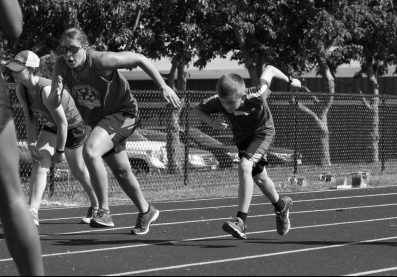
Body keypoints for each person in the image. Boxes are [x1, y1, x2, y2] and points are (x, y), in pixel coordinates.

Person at [50, 27, 181, 234]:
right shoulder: (61, 65)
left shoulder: (102, 61)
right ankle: (146, 210)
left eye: (73, 49)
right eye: (63, 49)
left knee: (91, 151)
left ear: (85, 48)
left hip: (125, 114)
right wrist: (56, 94)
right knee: (121, 171)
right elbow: (53, 102)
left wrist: (163, 85)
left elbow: (140, 59)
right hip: (100, 122)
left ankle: (103, 211)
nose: (68, 55)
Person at [193, 65, 301, 239]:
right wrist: (211, 123)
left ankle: (241, 222)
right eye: (222, 102)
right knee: (260, 177)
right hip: (243, 138)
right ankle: (282, 207)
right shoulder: (218, 101)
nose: (226, 107)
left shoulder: (257, 93)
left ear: (243, 96)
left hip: (263, 133)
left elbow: (270, 69)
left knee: (245, 166)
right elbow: (197, 109)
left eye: (230, 103)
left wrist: (290, 80)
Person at [5, 50, 99, 226]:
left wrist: (59, 151)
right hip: (52, 125)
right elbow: (29, 117)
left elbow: (63, 123)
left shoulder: (46, 90)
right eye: (12, 68)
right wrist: (31, 143)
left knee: (77, 170)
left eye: (18, 69)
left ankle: (97, 205)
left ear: (32, 69)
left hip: (72, 126)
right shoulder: (21, 90)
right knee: (39, 160)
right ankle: (32, 211)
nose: (13, 72)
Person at [0, 0, 45, 275]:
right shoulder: (20, 90)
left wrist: (59, 144)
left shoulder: (49, 88)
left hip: (63, 130)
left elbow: (65, 120)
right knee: (10, 197)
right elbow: (13, 26)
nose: (15, 74)